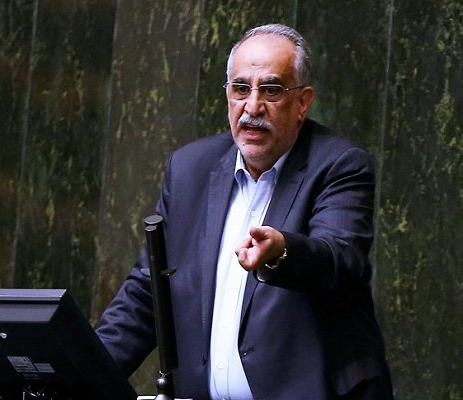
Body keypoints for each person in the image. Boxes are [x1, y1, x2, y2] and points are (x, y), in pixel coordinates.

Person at [96, 23, 393, 400]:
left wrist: (282, 251)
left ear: (303, 102)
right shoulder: (190, 169)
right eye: (240, 89)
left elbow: (339, 259)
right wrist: (76, 376)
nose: (252, 107)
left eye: (271, 90)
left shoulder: (340, 164)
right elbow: (148, 294)